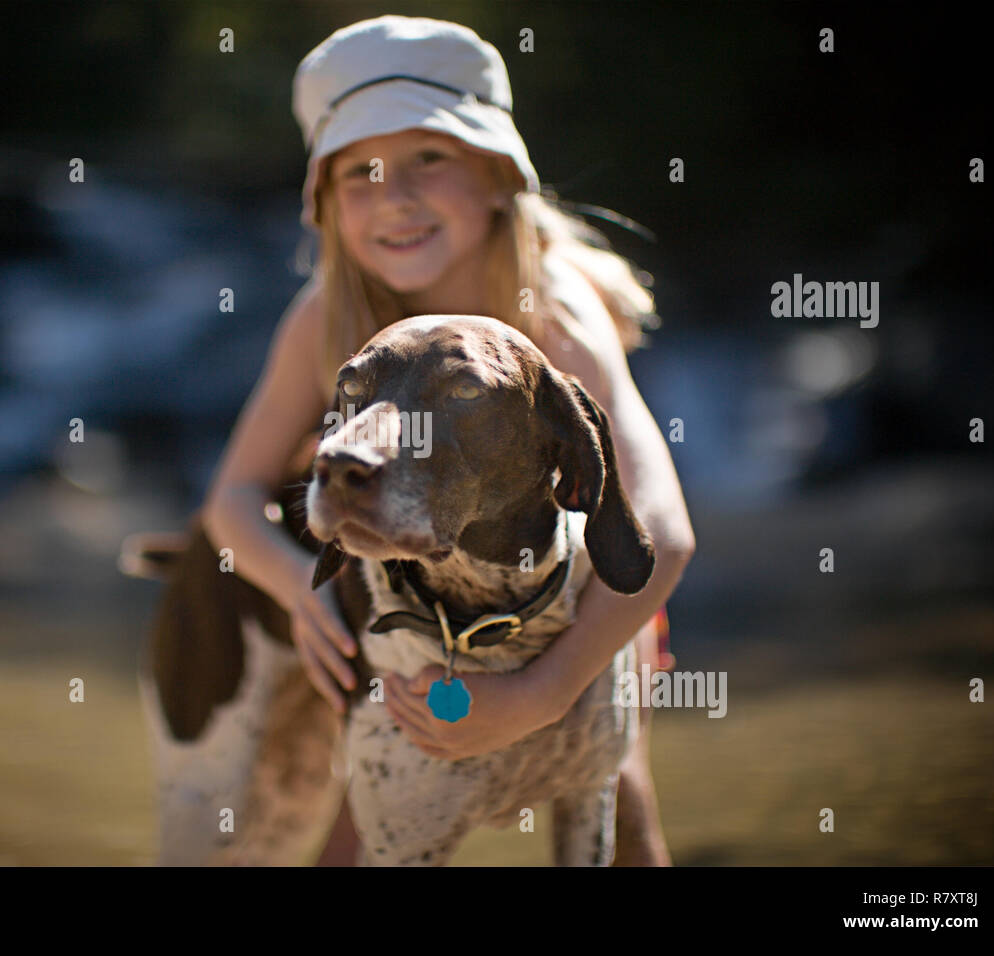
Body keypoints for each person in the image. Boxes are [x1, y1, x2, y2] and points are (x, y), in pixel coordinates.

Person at [202, 15, 694, 865]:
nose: (395, 196)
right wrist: (301, 590)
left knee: (619, 790)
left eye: (431, 158)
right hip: (400, 601)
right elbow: (231, 498)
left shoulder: (559, 315)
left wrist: (542, 694)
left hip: (588, 586)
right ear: (324, 205)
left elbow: (667, 533)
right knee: (364, 821)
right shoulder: (326, 315)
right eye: (361, 172)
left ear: (501, 178)